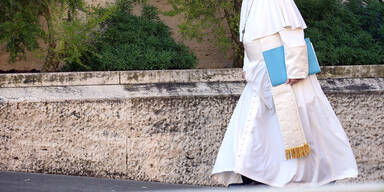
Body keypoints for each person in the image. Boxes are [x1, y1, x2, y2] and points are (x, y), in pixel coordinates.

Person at [211, 0, 358, 187]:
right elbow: (250, 40)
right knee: (253, 128)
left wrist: (295, 70)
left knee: (289, 128)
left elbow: (293, 34)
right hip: (259, 76)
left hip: (284, 75)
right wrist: (248, 67)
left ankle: (305, 177)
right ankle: (255, 177)